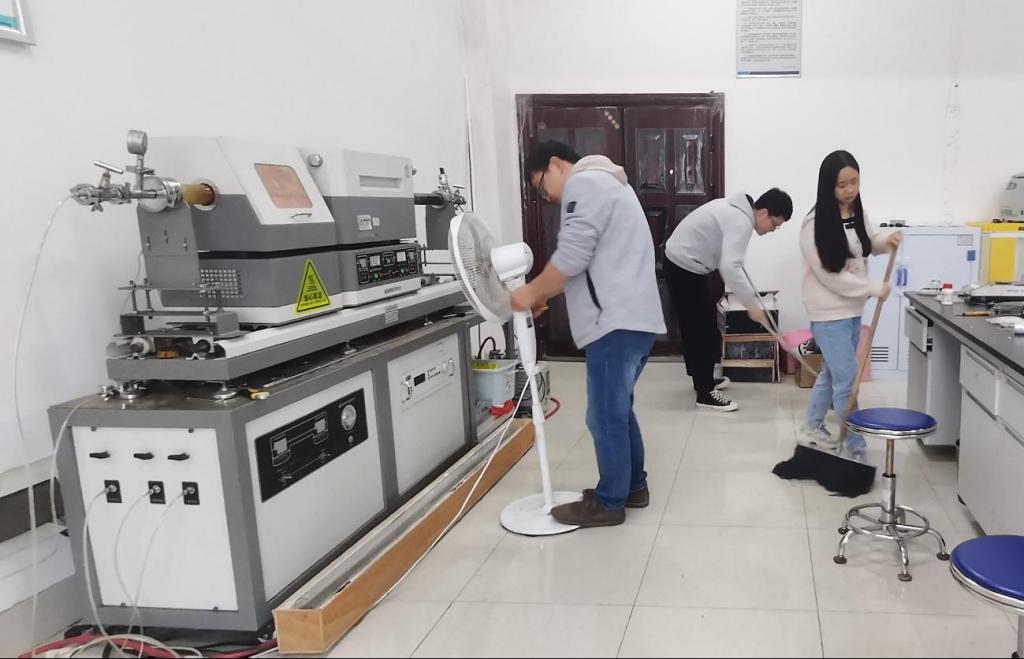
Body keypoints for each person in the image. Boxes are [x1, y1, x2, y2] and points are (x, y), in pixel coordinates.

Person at [511, 141, 666, 528]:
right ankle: (633, 487)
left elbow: (572, 256)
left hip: (615, 324)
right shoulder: (612, 185)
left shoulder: (585, 183)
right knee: (618, 410)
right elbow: (594, 262)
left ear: (556, 164)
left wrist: (529, 293)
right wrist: (545, 294)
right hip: (633, 320)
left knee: (604, 416)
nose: (546, 197)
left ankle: (610, 503)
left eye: (541, 185)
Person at [800, 150, 901, 459]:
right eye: (842, 185)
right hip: (828, 314)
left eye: (854, 182)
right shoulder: (813, 224)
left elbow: (867, 242)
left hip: (853, 310)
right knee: (847, 381)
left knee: (832, 374)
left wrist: (886, 242)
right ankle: (855, 445)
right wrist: (872, 288)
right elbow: (831, 276)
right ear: (828, 185)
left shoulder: (857, 212)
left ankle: (812, 427)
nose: (849, 190)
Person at [663, 188, 793, 411]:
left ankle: (702, 381)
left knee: (700, 327)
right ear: (763, 212)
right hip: (683, 267)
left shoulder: (737, 211)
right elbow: (729, 266)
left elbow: (733, 262)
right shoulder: (741, 221)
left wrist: (751, 298)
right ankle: (705, 393)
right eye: (775, 224)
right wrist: (751, 305)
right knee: (701, 331)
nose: (773, 230)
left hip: (685, 265)